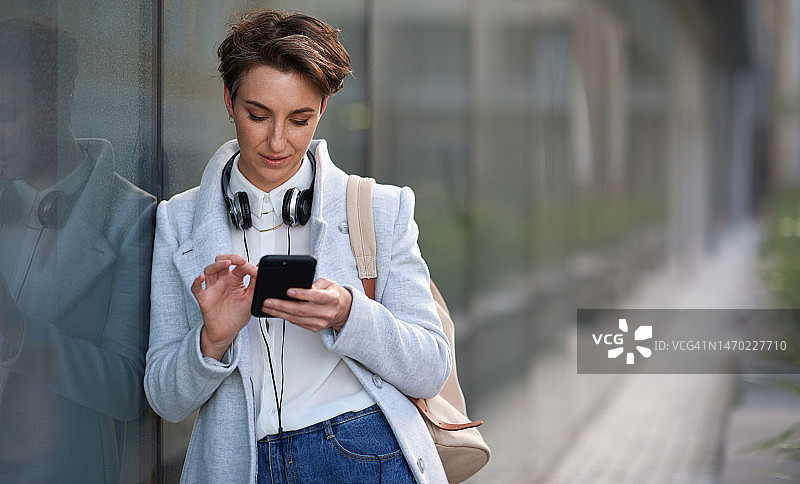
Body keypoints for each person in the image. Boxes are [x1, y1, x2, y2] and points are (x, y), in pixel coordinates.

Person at [144, 9, 451, 484]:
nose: (277, 140)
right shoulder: (177, 221)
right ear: (229, 101)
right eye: (257, 115)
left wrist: (348, 314)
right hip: (238, 466)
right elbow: (165, 398)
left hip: (363, 452)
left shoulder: (380, 209)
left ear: (322, 110)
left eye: (300, 119)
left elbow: (430, 367)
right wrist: (212, 341)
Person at [0, 16, 155, 482]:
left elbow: (130, 389)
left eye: (7, 112)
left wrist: (19, 332)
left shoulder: (133, 217)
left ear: (59, 101)